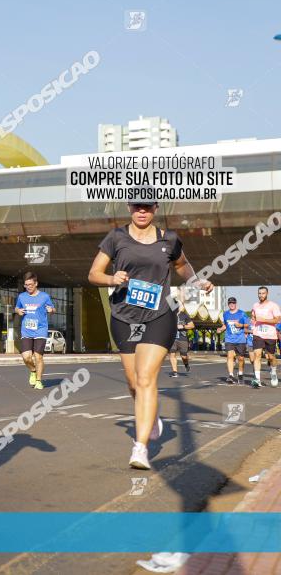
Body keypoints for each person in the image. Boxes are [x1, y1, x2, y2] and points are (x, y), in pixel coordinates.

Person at [88, 201, 213, 470]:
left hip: (160, 314)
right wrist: (112, 279)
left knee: (146, 378)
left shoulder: (169, 239)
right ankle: (151, 415)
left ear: (155, 208)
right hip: (124, 316)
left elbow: (182, 266)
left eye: (147, 207)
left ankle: (140, 447)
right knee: (133, 383)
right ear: (129, 209)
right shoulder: (116, 237)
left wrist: (196, 281)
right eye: (136, 207)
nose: (141, 212)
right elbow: (94, 274)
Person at [14, 272, 56, 389]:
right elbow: (17, 307)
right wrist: (18, 311)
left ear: (36, 283)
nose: (28, 287)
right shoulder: (22, 296)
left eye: (30, 285)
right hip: (26, 330)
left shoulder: (44, 296)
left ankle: (38, 381)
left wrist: (51, 310)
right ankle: (33, 370)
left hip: (40, 330)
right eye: (26, 285)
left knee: (38, 357)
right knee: (26, 357)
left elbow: (53, 308)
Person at [249, 286, 281, 388]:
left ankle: (273, 372)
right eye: (259, 293)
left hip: (270, 335)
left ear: (267, 294)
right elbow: (253, 317)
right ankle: (257, 379)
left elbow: (277, 320)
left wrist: (263, 319)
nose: (261, 295)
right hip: (258, 334)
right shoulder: (255, 305)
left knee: (271, 357)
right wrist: (253, 323)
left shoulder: (273, 305)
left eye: (263, 293)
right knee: (257, 355)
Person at [218, 297, 249, 384]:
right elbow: (225, 325)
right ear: (228, 304)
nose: (232, 304)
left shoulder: (242, 313)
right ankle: (231, 375)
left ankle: (240, 374)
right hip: (229, 338)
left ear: (236, 303)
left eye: (233, 303)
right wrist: (220, 329)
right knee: (230, 356)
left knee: (241, 358)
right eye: (230, 303)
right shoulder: (225, 314)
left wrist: (240, 325)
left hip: (240, 339)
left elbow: (247, 324)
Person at [168, 308, 194, 377]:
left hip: (182, 338)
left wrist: (183, 326)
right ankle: (175, 372)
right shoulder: (170, 315)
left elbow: (192, 325)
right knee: (172, 354)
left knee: (184, 356)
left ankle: (186, 364)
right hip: (172, 338)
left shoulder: (184, 315)